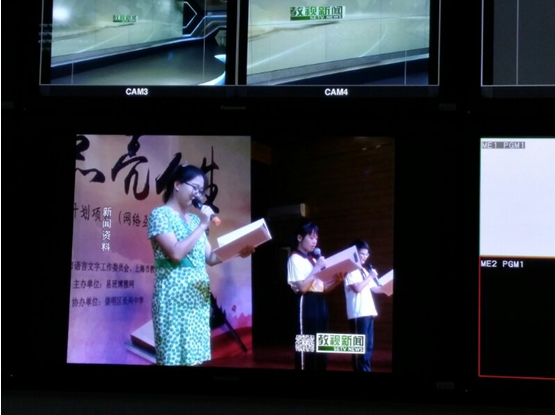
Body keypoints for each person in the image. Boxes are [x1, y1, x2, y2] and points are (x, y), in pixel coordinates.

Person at [147, 164, 253, 366]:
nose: (198, 195)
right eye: (194, 188)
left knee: (195, 360)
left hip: (198, 299)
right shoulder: (159, 215)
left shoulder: (196, 220)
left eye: (201, 191)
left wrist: (238, 251)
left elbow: (210, 258)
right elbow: (176, 253)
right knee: (173, 359)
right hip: (173, 299)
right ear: (177, 185)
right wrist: (204, 224)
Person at [286, 221, 345, 371]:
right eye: (311, 237)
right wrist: (318, 267)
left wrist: (337, 281)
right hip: (306, 303)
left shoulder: (312, 260)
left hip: (320, 301)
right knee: (306, 345)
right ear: (300, 238)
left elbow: (323, 288)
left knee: (321, 344)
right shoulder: (294, 259)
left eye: (316, 238)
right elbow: (303, 288)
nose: (315, 241)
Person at [343, 238, 382, 372]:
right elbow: (357, 288)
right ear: (354, 253)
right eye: (362, 254)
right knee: (359, 349)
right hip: (358, 314)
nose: (365, 257)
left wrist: (387, 286)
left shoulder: (364, 271)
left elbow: (375, 289)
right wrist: (370, 276)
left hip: (368, 312)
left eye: (367, 254)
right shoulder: (349, 270)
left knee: (368, 348)